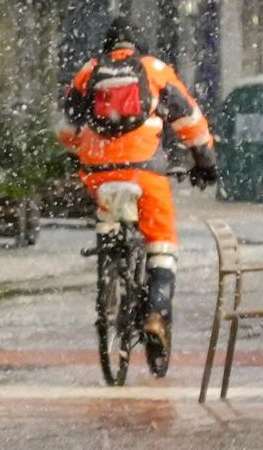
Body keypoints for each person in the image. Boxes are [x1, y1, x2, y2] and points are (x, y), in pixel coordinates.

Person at [62, 19, 218, 361]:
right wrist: (204, 159)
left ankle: (110, 264)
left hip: (99, 173)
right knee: (161, 240)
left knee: (109, 221)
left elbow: (66, 126)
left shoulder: (88, 72)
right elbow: (188, 119)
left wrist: (85, 155)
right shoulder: (154, 69)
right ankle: (156, 314)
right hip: (144, 172)